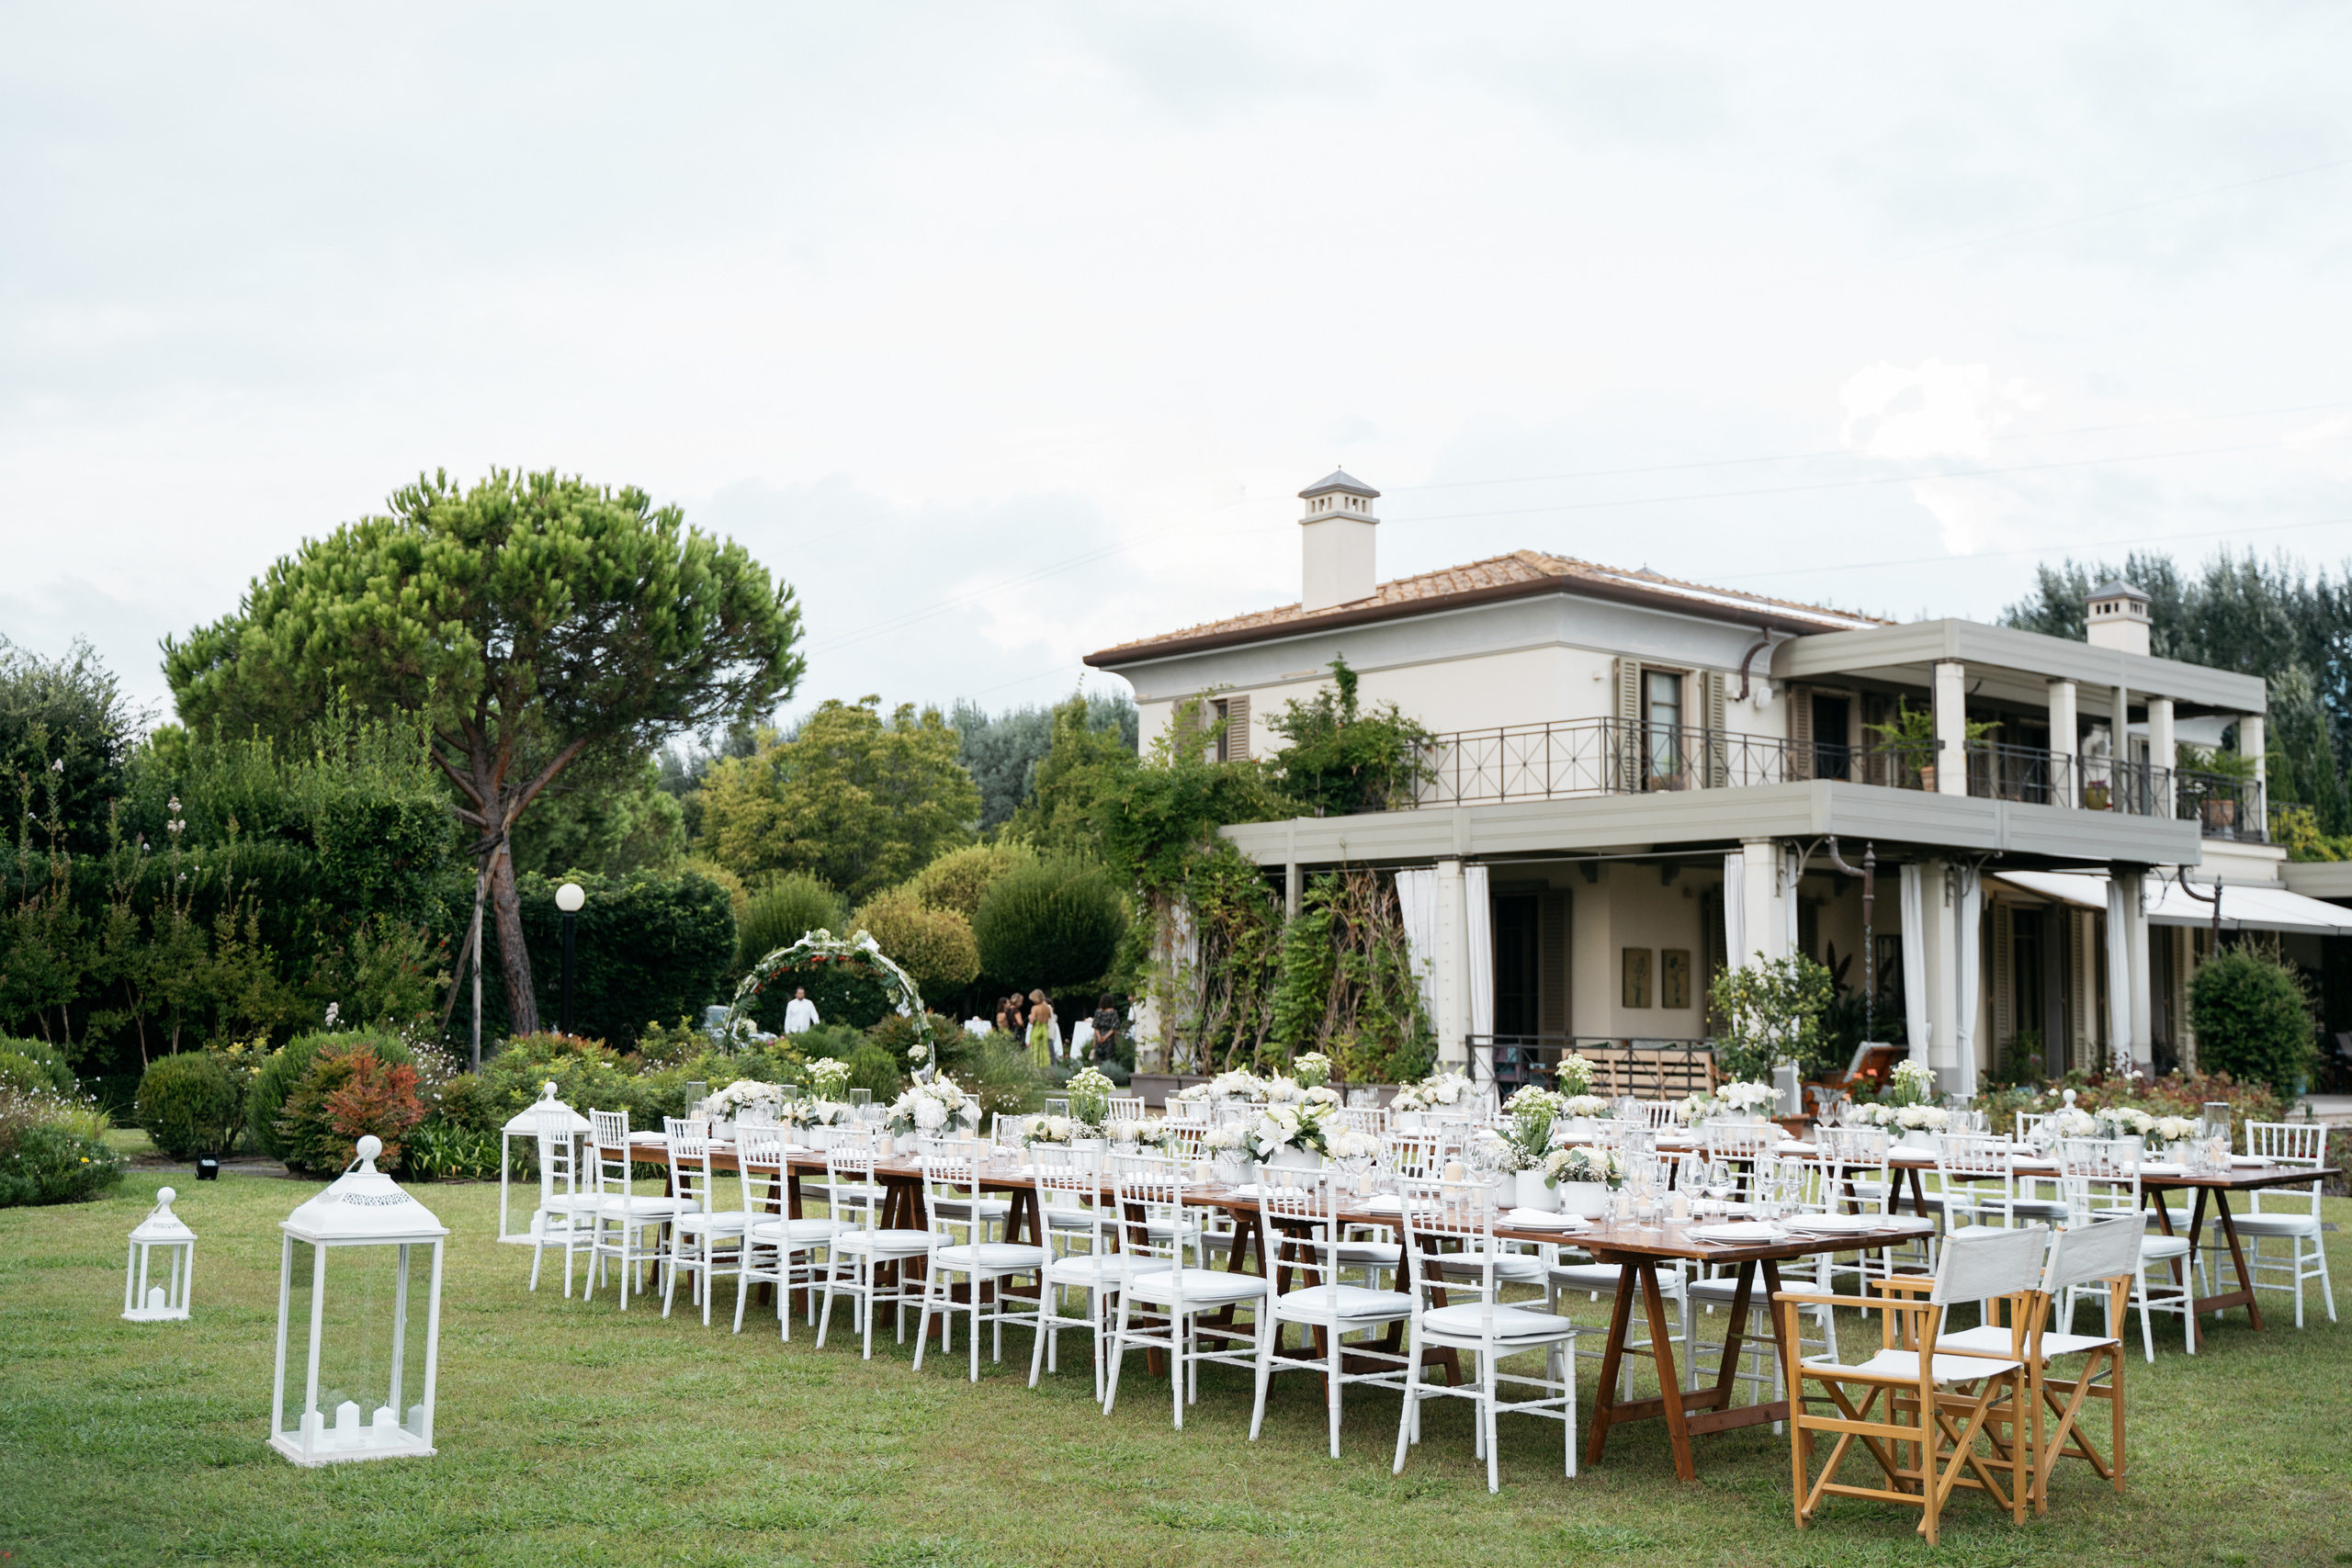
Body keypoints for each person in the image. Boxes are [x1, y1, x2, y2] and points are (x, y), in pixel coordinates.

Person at [1025, 989, 1057, 1071]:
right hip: (1044, 1029)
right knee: (1044, 1050)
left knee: (1035, 1048)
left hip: (1037, 1029)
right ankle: (1045, 1068)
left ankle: (1035, 1067)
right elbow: (1050, 1018)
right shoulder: (1047, 1007)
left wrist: (1030, 1017)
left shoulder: (1035, 1008)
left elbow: (1031, 1021)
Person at [1091, 996, 1121, 1065]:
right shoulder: (1113, 1012)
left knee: (1098, 1059)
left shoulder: (1098, 1012)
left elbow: (1096, 1026)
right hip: (1109, 1039)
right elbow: (1114, 1027)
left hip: (1099, 1039)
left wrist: (1099, 1036)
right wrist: (1106, 1037)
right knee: (1109, 1059)